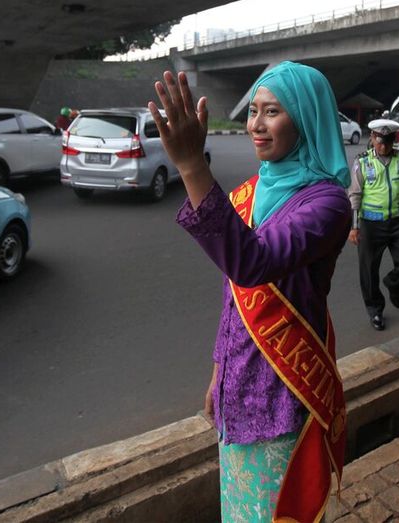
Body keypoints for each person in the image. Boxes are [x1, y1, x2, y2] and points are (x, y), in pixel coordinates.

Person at [148, 62, 351, 522]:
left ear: (304, 117)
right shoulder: (252, 189)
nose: (255, 125)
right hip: (239, 379)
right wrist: (220, 367)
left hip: (283, 386)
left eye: (273, 111)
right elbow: (233, 297)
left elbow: (251, 263)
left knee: (275, 511)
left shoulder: (326, 203)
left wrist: (191, 165)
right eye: (253, 110)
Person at [348, 119, 399, 331]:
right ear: (372, 138)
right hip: (370, 224)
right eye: (379, 141)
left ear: (395, 139)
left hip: (398, 221)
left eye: (388, 141)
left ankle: (393, 284)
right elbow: (355, 194)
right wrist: (354, 227)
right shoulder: (362, 162)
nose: (383, 146)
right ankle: (375, 310)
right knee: (368, 270)